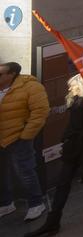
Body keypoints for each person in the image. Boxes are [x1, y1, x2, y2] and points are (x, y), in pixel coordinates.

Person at [24, 74, 83, 237]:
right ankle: (53, 221)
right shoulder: (74, 100)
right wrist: (66, 138)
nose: (70, 88)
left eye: (73, 85)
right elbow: (73, 123)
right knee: (64, 182)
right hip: (75, 145)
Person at [0, 61, 50, 222]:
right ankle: (6, 203)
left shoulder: (30, 87)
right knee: (2, 173)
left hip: (18, 137)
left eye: (1, 74)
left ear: (12, 74)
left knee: (25, 171)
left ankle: (36, 203)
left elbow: (40, 112)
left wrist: (26, 136)